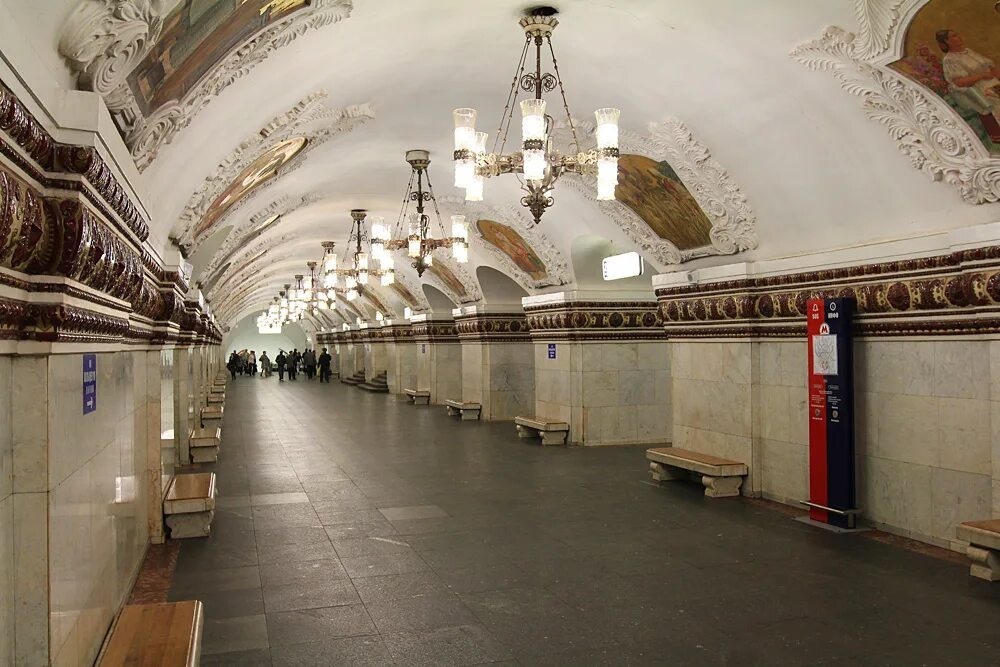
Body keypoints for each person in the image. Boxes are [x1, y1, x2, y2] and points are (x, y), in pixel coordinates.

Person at [937, 29, 1000, 143]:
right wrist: (982, 76)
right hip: (978, 90)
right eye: (954, 36)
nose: (958, 37)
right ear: (946, 41)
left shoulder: (968, 51)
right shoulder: (949, 60)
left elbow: (989, 66)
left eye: (957, 34)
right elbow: (959, 82)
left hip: (993, 83)